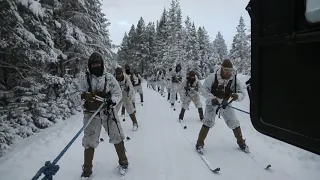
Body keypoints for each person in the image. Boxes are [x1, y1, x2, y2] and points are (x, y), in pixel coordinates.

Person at [69, 52, 129, 177]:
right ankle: (87, 170)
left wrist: (112, 100)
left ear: (102, 64)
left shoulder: (109, 78)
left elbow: (118, 93)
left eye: (98, 64)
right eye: (93, 64)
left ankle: (123, 161)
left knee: (117, 135)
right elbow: (72, 94)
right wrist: (83, 95)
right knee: (90, 140)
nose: (96, 66)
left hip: (108, 112)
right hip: (91, 113)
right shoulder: (83, 79)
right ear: (89, 65)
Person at [196, 59, 249, 155]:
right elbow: (203, 90)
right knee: (208, 121)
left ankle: (241, 142)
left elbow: (242, 93)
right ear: (221, 68)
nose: (228, 72)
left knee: (234, 122)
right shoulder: (212, 77)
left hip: (226, 103)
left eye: (230, 70)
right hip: (212, 102)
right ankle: (199, 143)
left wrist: (235, 96)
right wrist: (212, 98)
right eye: (226, 70)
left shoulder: (235, 80)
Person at [115, 66, 139, 131]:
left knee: (130, 110)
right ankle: (112, 125)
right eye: (117, 74)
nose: (118, 75)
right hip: (117, 96)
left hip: (126, 95)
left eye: (120, 73)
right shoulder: (113, 78)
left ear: (122, 73)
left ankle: (135, 123)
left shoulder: (126, 78)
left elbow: (131, 88)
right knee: (113, 111)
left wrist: (129, 93)